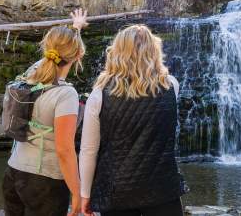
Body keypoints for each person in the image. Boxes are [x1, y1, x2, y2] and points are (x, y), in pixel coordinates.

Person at [79, 24, 186, 216]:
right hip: (162, 189)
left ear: (117, 51)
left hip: (116, 191)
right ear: (154, 51)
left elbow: (88, 150)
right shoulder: (171, 86)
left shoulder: (99, 94)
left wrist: (85, 193)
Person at [3, 9, 88, 216]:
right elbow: (64, 150)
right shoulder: (65, 94)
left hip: (13, 174)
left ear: (47, 49)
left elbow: (56, 54)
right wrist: (77, 192)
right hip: (44, 182)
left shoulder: (30, 75)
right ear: (78, 55)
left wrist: (75, 28)